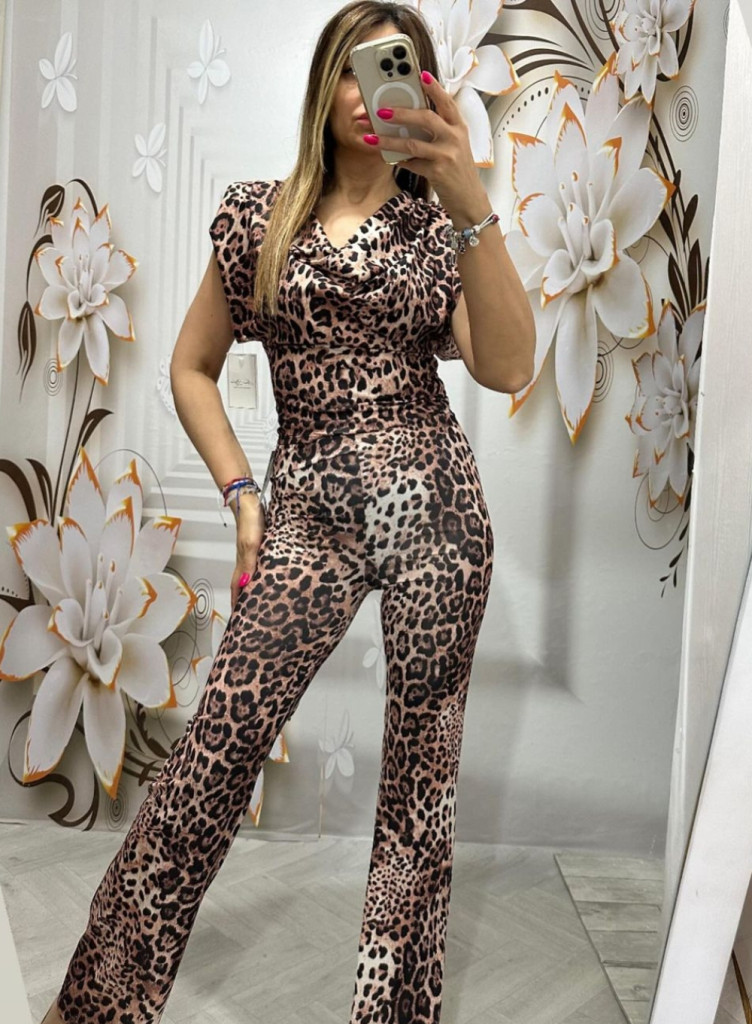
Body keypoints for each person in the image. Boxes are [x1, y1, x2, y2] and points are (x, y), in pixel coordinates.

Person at [40, 2, 534, 1022]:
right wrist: (240, 491)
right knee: (210, 758)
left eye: (398, 71)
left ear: (425, 92)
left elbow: (509, 365)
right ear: (322, 85)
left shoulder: (439, 231)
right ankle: (98, 1004)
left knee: (420, 786)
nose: (371, 93)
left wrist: (469, 198)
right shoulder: (255, 219)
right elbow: (191, 367)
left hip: (437, 512)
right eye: (355, 69)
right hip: (306, 511)